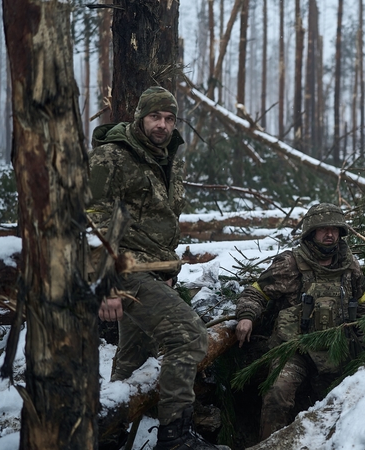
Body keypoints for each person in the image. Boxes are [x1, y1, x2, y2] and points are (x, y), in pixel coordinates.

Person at [87, 86, 225, 450]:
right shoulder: (110, 157)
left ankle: (107, 436)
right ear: (139, 117)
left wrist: (167, 269)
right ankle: (174, 437)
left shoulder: (169, 159)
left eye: (169, 118)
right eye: (154, 117)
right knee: (189, 335)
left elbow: (163, 220)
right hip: (124, 271)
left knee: (134, 358)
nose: (162, 125)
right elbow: (94, 224)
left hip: (153, 270)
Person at [235, 202, 365, 441]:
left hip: (336, 350)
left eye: (334, 229)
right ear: (311, 232)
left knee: (348, 402)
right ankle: (270, 444)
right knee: (277, 392)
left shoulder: (349, 266)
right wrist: (246, 316)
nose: (329, 234)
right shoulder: (290, 264)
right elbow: (256, 291)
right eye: (323, 229)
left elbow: (363, 304)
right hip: (294, 349)